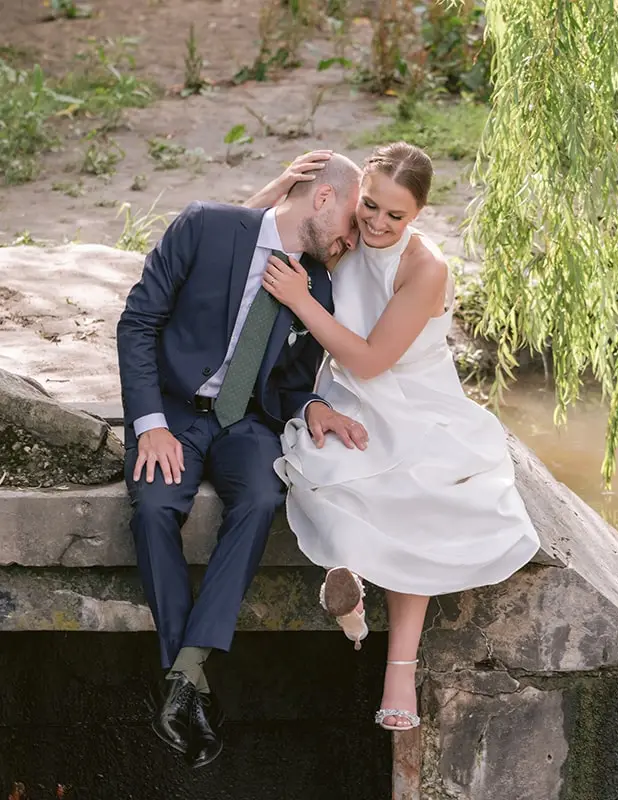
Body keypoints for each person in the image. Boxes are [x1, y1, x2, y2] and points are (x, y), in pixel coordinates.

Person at [251, 142, 541, 732]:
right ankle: (350, 587)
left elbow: (372, 360)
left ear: (419, 215)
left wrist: (302, 300)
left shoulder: (424, 267)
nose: (378, 225)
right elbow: (242, 240)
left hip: (412, 399)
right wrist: (275, 190)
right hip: (348, 398)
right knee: (326, 466)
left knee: (422, 492)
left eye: (395, 216)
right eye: (371, 208)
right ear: (360, 197)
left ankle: (398, 669)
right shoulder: (348, 233)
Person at [116, 152, 368, 767]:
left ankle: (182, 677)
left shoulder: (320, 284)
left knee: (260, 497)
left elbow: (287, 381)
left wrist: (311, 407)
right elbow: (137, 323)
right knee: (153, 508)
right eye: (352, 221)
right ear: (324, 198)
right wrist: (149, 424)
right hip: (173, 411)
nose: (352, 239)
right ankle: (192, 683)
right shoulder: (203, 226)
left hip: (244, 425)